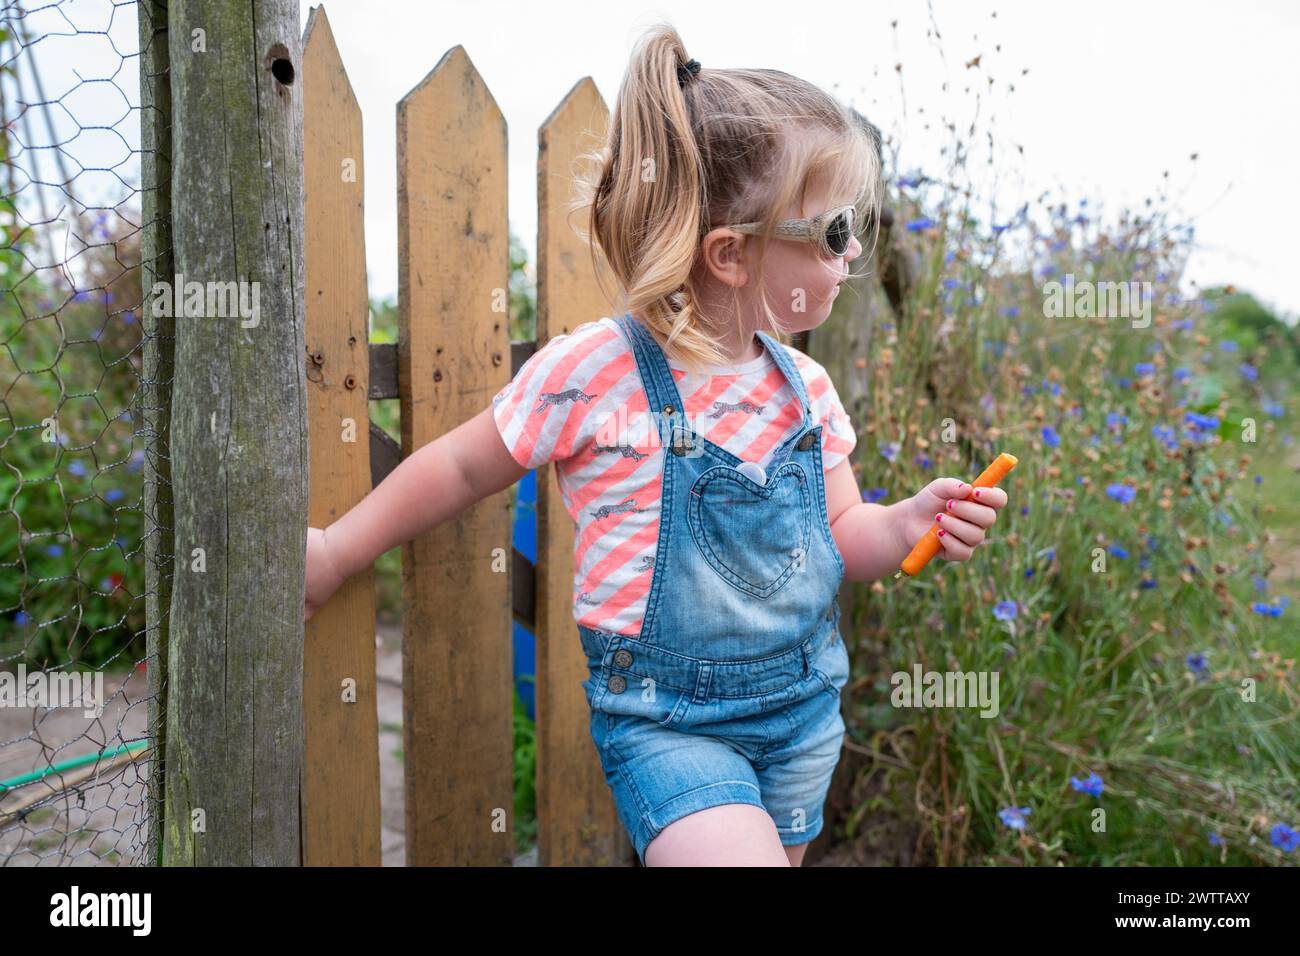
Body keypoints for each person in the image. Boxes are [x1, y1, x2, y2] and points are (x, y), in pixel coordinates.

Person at [304, 22, 1008, 867]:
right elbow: (458, 465)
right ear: (731, 255)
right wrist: (337, 550)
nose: (856, 249)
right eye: (833, 232)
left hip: (803, 715)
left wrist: (907, 525)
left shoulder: (806, 392)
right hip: (668, 725)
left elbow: (844, 534)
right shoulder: (596, 374)